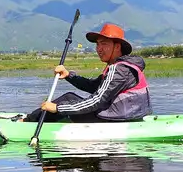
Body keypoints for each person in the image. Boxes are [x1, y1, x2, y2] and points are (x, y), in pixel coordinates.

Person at [22, 23, 151, 123]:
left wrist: (58, 108)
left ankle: (26, 122)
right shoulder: (122, 66)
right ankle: (33, 119)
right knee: (69, 99)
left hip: (118, 118)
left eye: (104, 44)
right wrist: (69, 75)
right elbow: (94, 87)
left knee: (68, 99)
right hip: (128, 115)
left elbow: (98, 100)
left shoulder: (119, 69)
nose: (99, 49)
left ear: (117, 47)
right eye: (98, 44)